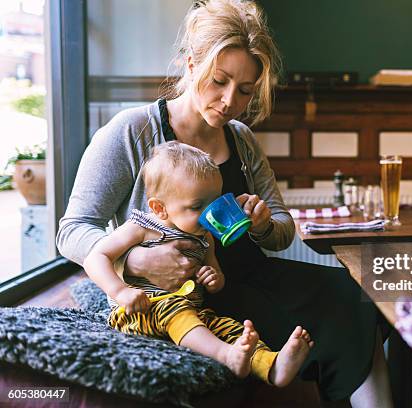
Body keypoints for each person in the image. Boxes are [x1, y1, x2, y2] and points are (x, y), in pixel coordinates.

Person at [57, 0, 392, 405]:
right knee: (331, 317)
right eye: (220, 80)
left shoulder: (241, 138)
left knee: (353, 291)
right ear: (190, 64)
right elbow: (72, 229)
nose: (231, 100)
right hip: (183, 294)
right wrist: (133, 262)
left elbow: (282, 231)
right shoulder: (132, 132)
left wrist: (265, 222)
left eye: (245, 90)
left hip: (246, 274)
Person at [82, 141, 313, 386]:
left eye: (213, 202)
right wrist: (120, 291)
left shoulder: (204, 237)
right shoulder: (142, 227)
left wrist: (213, 278)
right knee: (174, 310)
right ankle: (226, 356)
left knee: (229, 327)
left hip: (193, 314)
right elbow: (95, 258)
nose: (206, 214)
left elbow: (217, 279)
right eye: (196, 206)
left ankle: (271, 365)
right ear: (160, 208)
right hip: (139, 312)